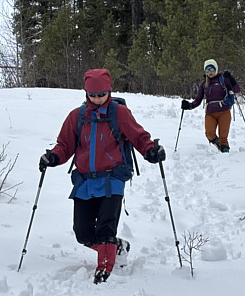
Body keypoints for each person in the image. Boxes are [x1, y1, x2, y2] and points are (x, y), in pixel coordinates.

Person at [39, 68, 166, 284]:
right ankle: (117, 247)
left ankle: (104, 271)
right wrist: (53, 157)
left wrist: (150, 151)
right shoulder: (77, 117)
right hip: (85, 181)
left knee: (106, 228)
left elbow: (138, 136)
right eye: (93, 95)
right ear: (86, 93)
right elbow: (65, 145)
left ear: (109, 91)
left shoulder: (119, 113)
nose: (97, 99)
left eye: (101, 95)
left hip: (112, 178)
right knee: (83, 233)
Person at [181, 59, 241, 153]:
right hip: (210, 113)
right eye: (207, 70)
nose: (210, 72)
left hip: (224, 112)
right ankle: (219, 146)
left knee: (223, 137)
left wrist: (231, 79)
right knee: (209, 134)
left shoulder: (223, 79)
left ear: (216, 69)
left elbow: (237, 90)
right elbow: (198, 100)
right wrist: (189, 105)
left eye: (212, 69)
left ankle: (226, 156)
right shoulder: (204, 84)